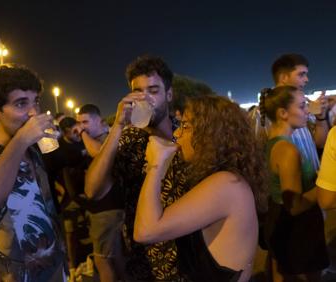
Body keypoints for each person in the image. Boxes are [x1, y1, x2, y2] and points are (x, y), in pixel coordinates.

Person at [133, 95, 267, 282]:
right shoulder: (225, 179)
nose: (177, 133)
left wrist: (155, 165)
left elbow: (145, 231)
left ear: (212, 134)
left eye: (186, 126)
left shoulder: (225, 184)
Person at [0, 64, 68, 281]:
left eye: (35, 101)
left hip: (52, 267)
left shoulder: (32, 152)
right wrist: (22, 139)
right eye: (20, 103)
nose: (33, 112)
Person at [85, 55, 186, 280]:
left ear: (169, 94)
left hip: (189, 257)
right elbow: (93, 190)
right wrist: (118, 125)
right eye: (138, 92)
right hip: (144, 261)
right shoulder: (128, 138)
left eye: (153, 90)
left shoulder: (188, 135)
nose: (145, 98)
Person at [259, 86, 328, 281]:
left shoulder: (272, 143)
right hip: (299, 229)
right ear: (283, 113)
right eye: (302, 106)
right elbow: (295, 206)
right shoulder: (287, 150)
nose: (307, 111)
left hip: (280, 221)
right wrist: (324, 185)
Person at [76, 104, 124, 282]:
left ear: (100, 122)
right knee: (114, 259)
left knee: (102, 261)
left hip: (107, 211)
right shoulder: (97, 139)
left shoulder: (105, 140)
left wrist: (82, 134)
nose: (82, 126)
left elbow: (98, 153)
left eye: (85, 122)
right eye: (79, 123)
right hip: (104, 211)